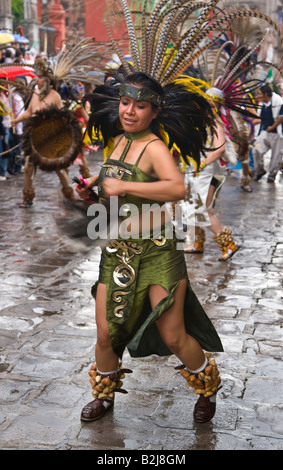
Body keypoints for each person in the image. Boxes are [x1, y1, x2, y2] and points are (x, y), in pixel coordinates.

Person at [76, 71, 223, 424]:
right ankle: (105, 395)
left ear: (154, 111)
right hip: (117, 251)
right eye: (126, 103)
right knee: (106, 334)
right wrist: (94, 187)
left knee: (173, 336)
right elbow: (117, 181)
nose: (129, 111)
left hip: (158, 252)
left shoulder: (155, 147)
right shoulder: (119, 141)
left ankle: (207, 387)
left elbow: (176, 189)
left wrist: (120, 186)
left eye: (140, 106)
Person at [182, 89, 239, 261]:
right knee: (191, 207)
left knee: (203, 210)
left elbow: (220, 149)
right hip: (193, 170)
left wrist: (201, 164)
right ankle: (197, 243)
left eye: (212, 104)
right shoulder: (199, 121)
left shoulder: (215, 124)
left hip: (205, 171)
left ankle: (228, 244)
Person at [11, 68, 74, 207]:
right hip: (34, 137)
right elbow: (29, 112)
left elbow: (62, 117)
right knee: (28, 168)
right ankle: (27, 198)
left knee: (58, 168)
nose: (36, 80)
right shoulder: (35, 94)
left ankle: (69, 195)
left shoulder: (55, 96)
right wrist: (17, 120)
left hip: (49, 139)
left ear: (47, 81)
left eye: (39, 78)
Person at [253, 84, 283, 183]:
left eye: (260, 94)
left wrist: (273, 127)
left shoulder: (278, 101)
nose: (258, 96)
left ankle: (272, 175)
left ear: (266, 94)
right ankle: (260, 171)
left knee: (276, 156)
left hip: (277, 133)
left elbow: (281, 116)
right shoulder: (261, 104)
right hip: (265, 131)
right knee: (256, 150)